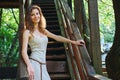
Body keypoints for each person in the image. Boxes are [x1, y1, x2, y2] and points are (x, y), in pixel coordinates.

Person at [20, 5, 85, 80]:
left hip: (43, 65)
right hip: (34, 63)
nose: (36, 16)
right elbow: (23, 52)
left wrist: (73, 42)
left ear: (40, 15)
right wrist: (29, 66)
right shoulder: (27, 32)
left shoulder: (43, 31)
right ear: (29, 17)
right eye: (32, 14)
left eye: (37, 13)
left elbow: (57, 37)